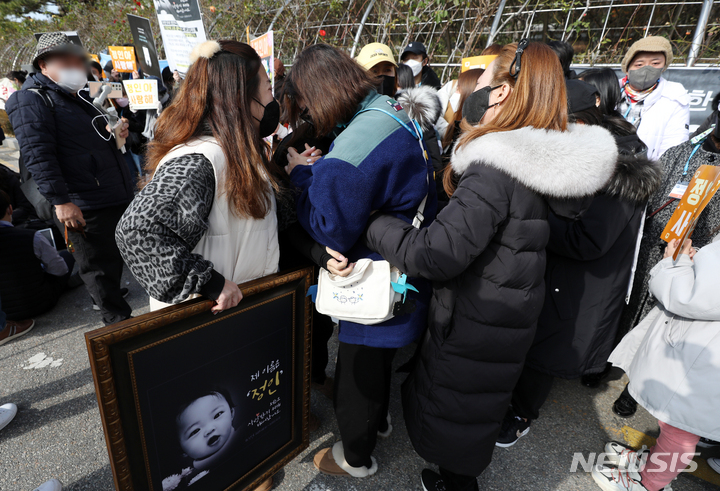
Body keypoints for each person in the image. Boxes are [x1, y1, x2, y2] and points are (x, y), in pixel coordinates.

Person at [362, 41, 617, 491]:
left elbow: (433, 254)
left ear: (500, 93)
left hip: (477, 316)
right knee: (478, 405)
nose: (476, 88)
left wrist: (376, 223)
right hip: (508, 309)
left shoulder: (495, 169)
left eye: (482, 80)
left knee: (460, 408)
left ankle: (456, 483)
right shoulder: (542, 160)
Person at [284, 43, 437, 479]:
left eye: (308, 103)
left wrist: (301, 175)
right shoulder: (392, 110)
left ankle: (356, 456)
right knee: (380, 362)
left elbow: (331, 226)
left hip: (370, 278)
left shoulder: (353, 145)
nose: (310, 113)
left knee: (357, 372)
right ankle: (380, 422)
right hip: (403, 265)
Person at [496, 81, 661, 448]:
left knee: (545, 352)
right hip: (556, 273)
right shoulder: (581, 148)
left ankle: (521, 415)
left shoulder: (620, 168)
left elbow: (588, 240)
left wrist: (531, 214)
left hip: (582, 282)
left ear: (586, 118)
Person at [116, 40, 280, 316]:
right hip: (209, 323)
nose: (271, 99)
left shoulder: (234, 152)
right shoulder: (200, 160)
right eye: (267, 89)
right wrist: (210, 283)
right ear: (240, 97)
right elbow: (137, 231)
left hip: (239, 317)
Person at [6, 32, 133, 325]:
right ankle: (119, 328)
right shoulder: (30, 99)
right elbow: (39, 155)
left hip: (107, 195)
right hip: (82, 203)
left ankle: (114, 306)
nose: (75, 66)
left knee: (110, 264)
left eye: (78, 61)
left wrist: (116, 136)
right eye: (65, 61)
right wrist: (61, 202)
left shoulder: (76, 98)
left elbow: (85, 144)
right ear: (42, 66)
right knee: (96, 268)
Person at [614, 97, 720, 418]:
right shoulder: (684, 152)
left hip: (694, 256)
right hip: (654, 244)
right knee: (633, 304)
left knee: (661, 320)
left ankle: (634, 386)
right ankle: (611, 359)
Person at [591, 237, 720, 491]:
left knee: (680, 427)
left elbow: (694, 298)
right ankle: (653, 466)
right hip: (706, 348)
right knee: (676, 421)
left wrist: (676, 263)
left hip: (707, 354)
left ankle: (649, 484)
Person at [0, 189, 75, 321]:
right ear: (10, 209)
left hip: (5, 314)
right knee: (67, 256)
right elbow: (60, 270)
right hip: (40, 303)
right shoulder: (31, 236)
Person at [619, 36, 689, 161]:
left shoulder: (673, 98)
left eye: (655, 63)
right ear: (627, 68)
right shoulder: (609, 91)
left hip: (644, 174)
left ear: (664, 67)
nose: (647, 69)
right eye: (639, 64)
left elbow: (673, 147)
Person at [162, 388, 239, 490]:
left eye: (217, 415)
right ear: (181, 450)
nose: (210, 430)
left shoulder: (248, 434)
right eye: (195, 431)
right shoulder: (190, 480)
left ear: (232, 412)